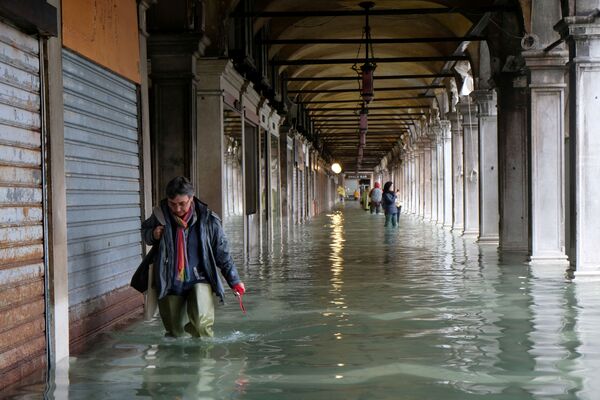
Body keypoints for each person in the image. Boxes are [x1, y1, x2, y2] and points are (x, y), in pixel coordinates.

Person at [141, 176, 245, 337]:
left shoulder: (208, 220)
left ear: (191, 198)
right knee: (174, 333)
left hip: (200, 278)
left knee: (201, 327)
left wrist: (235, 280)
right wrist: (153, 235)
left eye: (182, 203)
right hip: (170, 279)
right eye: (172, 204)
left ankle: (203, 361)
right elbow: (145, 234)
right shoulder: (159, 216)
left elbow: (222, 253)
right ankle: (176, 362)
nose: (177, 209)